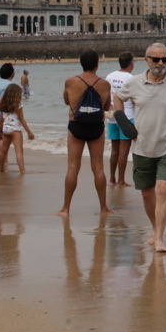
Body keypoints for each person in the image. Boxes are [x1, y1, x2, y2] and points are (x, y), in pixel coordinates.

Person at [113, 43, 166, 253]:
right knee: (147, 194)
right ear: (146, 59)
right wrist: (123, 121)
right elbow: (117, 98)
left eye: (165, 60)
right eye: (156, 59)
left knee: (163, 188)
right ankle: (155, 229)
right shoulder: (134, 83)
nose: (161, 64)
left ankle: (159, 237)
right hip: (142, 148)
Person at [59, 50, 112, 216]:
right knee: (98, 168)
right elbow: (106, 106)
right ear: (97, 63)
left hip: (76, 126)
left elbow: (67, 101)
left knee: (73, 167)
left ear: (81, 62)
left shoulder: (70, 82)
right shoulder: (105, 84)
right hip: (96, 126)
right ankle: (103, 208)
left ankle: (66, 209)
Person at [105, 53, 137, 186]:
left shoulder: (110, 76)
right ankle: (121, 180)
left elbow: (107, 96)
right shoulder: (132, 78)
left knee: (114, 150)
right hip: (127, 117)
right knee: (124, 151)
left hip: (112, 116)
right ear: (131, 63)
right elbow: (135, 99)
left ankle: (112, 179)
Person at [0, 84, 34, 173]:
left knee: (3, 151)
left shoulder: (2, 103)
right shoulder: (18, 104)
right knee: (19, 151)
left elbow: (0, 120)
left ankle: (1, 170)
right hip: (15, 130)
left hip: (6, 129)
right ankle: (22, 171)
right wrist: (29, 132)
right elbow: (21, 119)